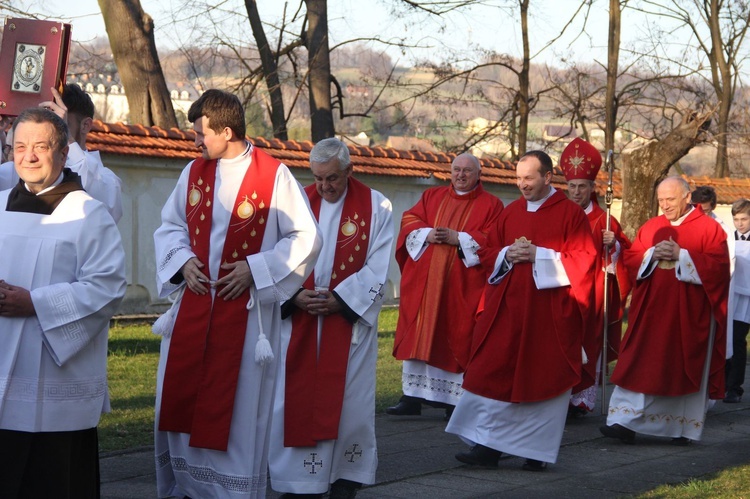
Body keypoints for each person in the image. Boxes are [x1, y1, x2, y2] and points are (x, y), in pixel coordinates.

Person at [152, 89, 321, 498]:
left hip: (245, 319)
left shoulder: (274, 175)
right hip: (194, 306)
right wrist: (182, 261)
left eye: (201, 133)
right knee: (183, 400)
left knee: (239, 409)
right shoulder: (192, 173)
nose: (195, 141)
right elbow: (170, 225)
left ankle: (232, 491)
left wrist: (255, 269)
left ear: (226, 131)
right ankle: (189, 487)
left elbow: (307, 237)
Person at [0, 107, 126, 497]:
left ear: (64, 152)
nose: (29, 156)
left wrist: (35, 303)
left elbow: (108, 285)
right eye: (19, 147)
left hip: (55, 380)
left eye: (40, 146)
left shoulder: (88, 212)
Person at [446, 150, 596, 472]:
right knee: (493, 373)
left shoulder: (571, 214)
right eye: (518, 178)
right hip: (508, 310)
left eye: (529, 178)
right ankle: (487, 448)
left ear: (548, 177)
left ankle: (536, 452)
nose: (522, 185)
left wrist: (539, 255)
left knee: (541, 380)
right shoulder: (511, 211)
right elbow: (488, 252)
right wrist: (507, 253)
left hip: (549, 315)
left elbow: (584, 262)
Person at [268, 138, 394, 499]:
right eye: (318, 179)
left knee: (349, 403)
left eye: (332, 179)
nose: (324, 187)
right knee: (293, 399)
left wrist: (340, 300)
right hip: (299, 320)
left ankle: (344, 476)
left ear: (350, 171)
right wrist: (293, 295)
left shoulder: (376, 206)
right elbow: (275, 255)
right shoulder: (295, 206)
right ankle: (296, 480)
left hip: (347, 324)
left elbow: (379, 266)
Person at [600, 176, 729, 446]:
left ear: (687, 197)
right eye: (661, 200)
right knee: (639, 361)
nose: (665, 206)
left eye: (670, 199)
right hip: (652, 311)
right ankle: (623, 422)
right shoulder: (652, 226)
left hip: (689, 314)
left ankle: (681, 429)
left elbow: (718, 269)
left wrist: (683, 255)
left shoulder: (709, 229)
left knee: (682, 366)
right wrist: (652, 254)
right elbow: (634, 258)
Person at [388, 153, 504, 420]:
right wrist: (428, 233)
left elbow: (493, 238)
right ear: (450, 173)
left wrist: (458, 238)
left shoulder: (492, 205)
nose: (461, 175)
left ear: (478, 175)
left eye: (467, 171)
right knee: (418, 334)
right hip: (425, 285)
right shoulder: (432, 197)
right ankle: (412, 397)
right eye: (456, 170)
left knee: (457, 334)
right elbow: (409, 220)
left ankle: (453, 400)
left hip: (461, 286)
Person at [560, 138, 632, 417]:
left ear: (593, 188)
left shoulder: (605, 220)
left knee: (588, 343)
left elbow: (623, 257)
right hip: (563, 289)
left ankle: (580, 401)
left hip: (592, 294)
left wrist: (613, 245)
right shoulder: (560, 216)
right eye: (572, 186)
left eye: (582, 187)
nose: (576, 192)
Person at [0, 85, 123, 222]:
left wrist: (65, 136)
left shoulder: (106, 180)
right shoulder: (19, 169)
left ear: (85, 125)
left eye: (59, 122)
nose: (47, 133)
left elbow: (97, 212)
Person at [724, 198, 750, 403]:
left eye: (744, 219)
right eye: (736, 219)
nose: (740, 223)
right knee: (729, 340)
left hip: (747, 298)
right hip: (731, 295)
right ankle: (727, 385)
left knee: (738, 340)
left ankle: (734, 387)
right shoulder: (728, 239)